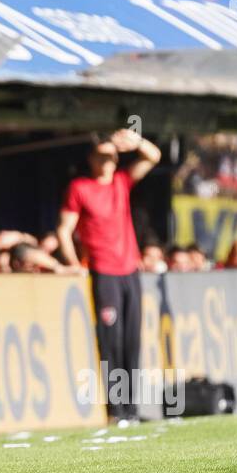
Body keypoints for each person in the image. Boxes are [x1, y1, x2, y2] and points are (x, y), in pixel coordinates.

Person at [56, 129, 161, 425]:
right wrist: (74, 263)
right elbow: (64, 229)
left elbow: (154, 157)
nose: (108, 161)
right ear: (91, 159)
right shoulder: (80, 188)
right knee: (110, 341)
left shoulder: (121, 182)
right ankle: (115, 410)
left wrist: (136, 141)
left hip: (130, 270)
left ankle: (131, 408)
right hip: (104, 271)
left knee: (132, 340)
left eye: (112, 156)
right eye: (102, 156)